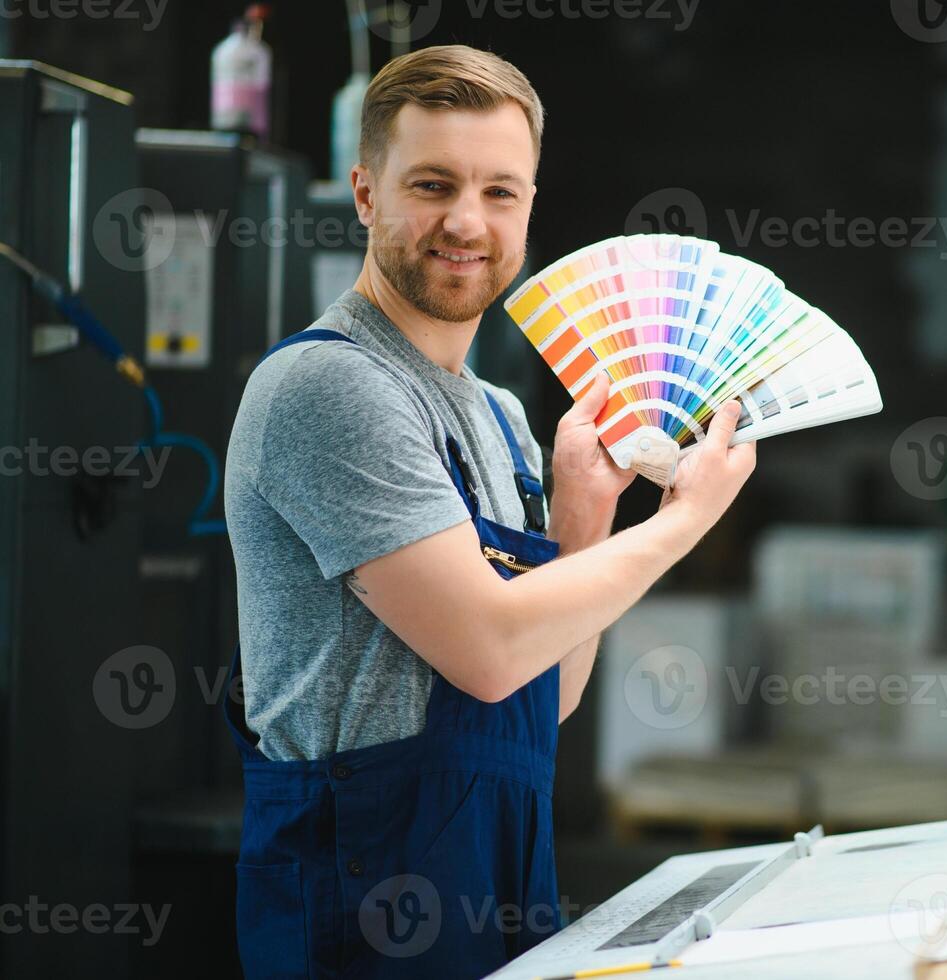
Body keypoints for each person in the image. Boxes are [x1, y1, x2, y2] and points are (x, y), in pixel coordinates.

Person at [222, 44, 754, 978]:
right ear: (364, 194)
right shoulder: (329, 386)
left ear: (529, 210)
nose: (465, 222)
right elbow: (490, 647)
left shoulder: (502, 416)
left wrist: (584, 521)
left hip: (496, 875)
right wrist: (681, 522)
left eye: (499, 192)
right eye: (431, 184)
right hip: (364, 898)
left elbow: (540, 695)